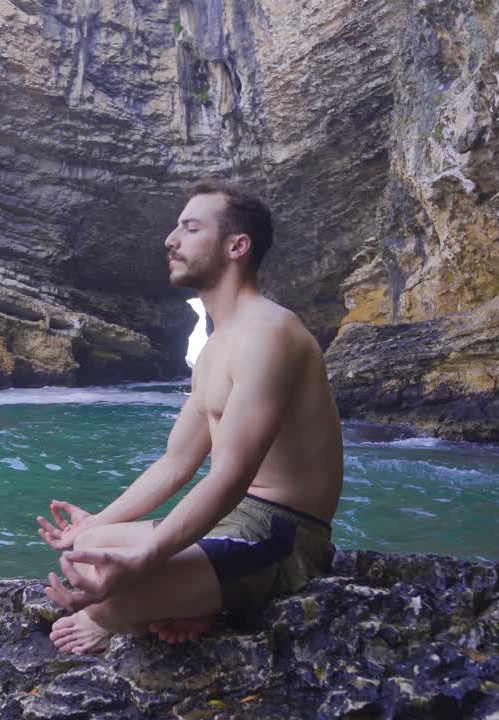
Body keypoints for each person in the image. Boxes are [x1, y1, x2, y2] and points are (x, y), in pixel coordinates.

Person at [36, 180, 344, 654]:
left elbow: (232, 476)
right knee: (85, 552)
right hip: (230, 522)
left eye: (190, 227)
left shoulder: (270, 334)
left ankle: (163, 603)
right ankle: (198, 597)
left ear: (237, 246)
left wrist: (147, 558)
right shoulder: (216, 348)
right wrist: (95, 521)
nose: (170, 240)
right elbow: (174, 465)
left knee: (105, 602)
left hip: (281, 533)